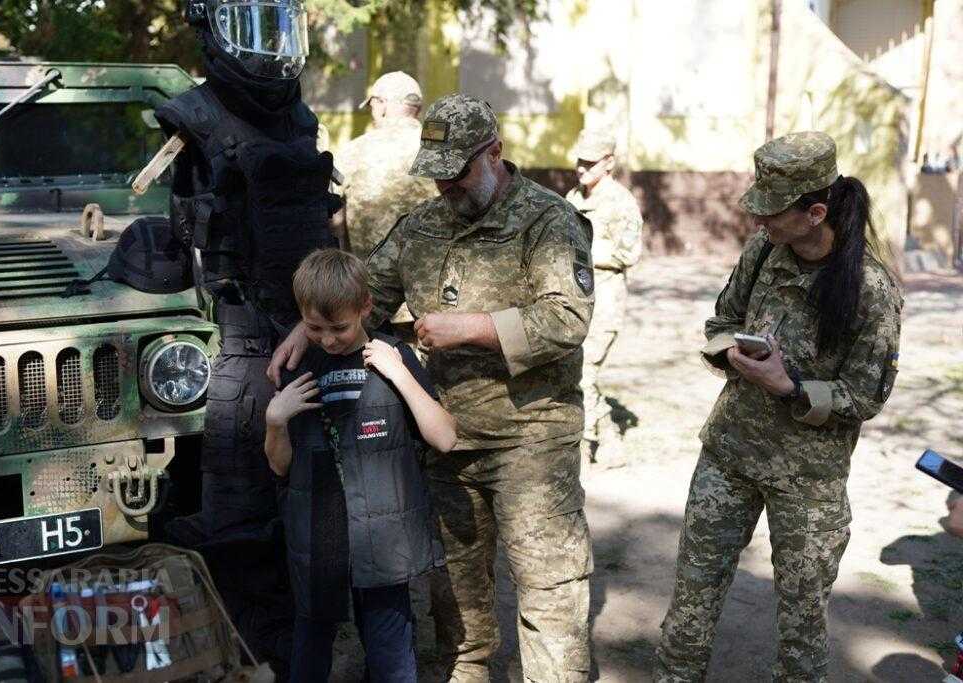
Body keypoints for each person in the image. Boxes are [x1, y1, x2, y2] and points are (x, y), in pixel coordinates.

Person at [269, 93, 596, 681]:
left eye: (458, 172)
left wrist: (471, 328)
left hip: (530, 439)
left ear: (493, 153)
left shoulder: (549, 221)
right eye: (436, 173)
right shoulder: (421, 226)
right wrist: (305, 326)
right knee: (457, 605)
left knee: (548, 593)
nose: (444, 186)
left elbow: (568, 319)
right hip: (443, 439)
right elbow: (364, 292)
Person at [654, 131, 903, 682]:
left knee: (801, 624)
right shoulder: (763, 252)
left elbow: (865, 396)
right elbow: (721, 323)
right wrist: (731, 354)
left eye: (771, 212)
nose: (758, 222)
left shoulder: (871, 290)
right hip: (730, 453)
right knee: (690, 603)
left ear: (815, 212)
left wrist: (787, 387)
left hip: (807, 481)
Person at [153, 0, 339, 671]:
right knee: (236, 526)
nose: (268, 42)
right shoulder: (190, 116)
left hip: (312, 345)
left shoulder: (300, 120)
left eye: (277, 20)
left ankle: (296, 653)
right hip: (238, 351)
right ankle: (244, 655)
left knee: (315, 523)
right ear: (209, 25)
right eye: (249, 21)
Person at [264, 249, 455, 682]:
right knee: (310, 653)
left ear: (365, 307)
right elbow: (280, 469)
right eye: (314, 328)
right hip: (317, 538)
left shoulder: (393, 357)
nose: (329, 340)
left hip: (382, 543)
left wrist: (401, 374)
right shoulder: (299, 366)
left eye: (340, 328)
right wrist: (275, 421)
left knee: (391, 656)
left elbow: (444, 437)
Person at [565, 125, 644, 462]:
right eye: (579, 162)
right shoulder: (572, 198)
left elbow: (629, 253)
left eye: (590, 163)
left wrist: (583, 252)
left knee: (584, 373)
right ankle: (605, 437)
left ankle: (589, 444)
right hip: (574, 300)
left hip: (605, 303)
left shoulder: (621, 203)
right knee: (572, 371)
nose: (582, 169)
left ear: (609, 162)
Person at [333, 71, 439, 259]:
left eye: (371, 106)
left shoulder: (354, 151)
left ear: (382, 105)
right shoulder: (442, 149)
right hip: (432, 276)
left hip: (370, 280)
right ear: (419, 108)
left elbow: (335, 220)